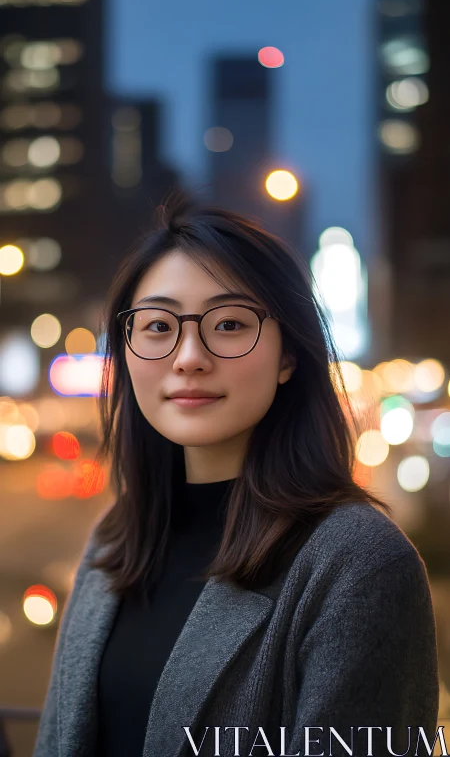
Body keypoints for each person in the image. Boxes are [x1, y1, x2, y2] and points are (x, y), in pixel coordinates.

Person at [33, 190, 439, 757]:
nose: (188, 356)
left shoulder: (359, 565)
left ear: (289, 356)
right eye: (156, 326)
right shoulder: (115, 537)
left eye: (228, 324)